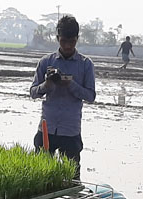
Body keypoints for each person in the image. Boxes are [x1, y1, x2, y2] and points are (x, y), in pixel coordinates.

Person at [30, 15, 96, 181]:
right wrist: (47, 84)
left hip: (71, 130)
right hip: (47, 128)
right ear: (58, 38)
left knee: (72, 179)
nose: (67, 46)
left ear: (77, 39)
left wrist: (71, 84)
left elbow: (90, 96)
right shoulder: (46, 62)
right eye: (63, 41)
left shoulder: (85, 64)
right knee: (39, 177)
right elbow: (33, 92)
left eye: (71, 42)